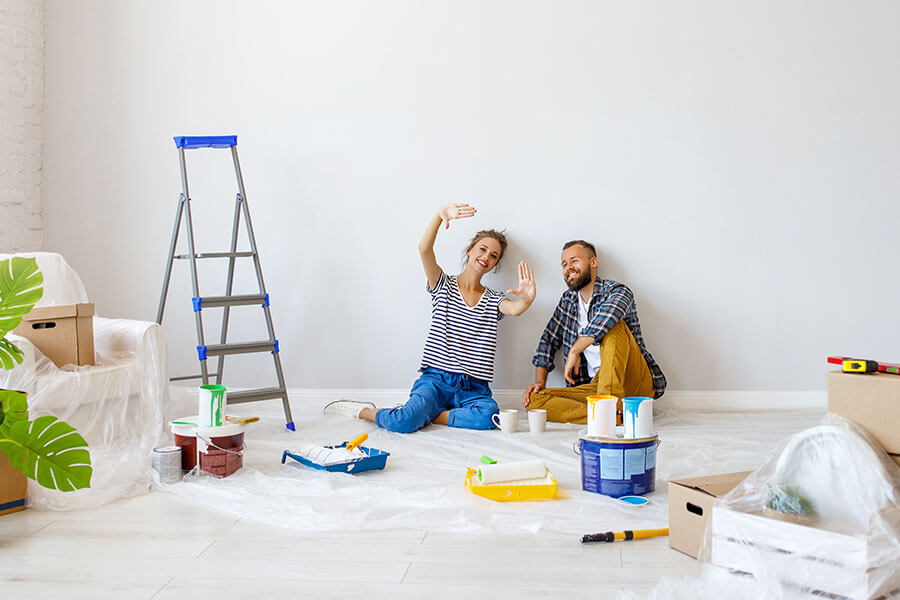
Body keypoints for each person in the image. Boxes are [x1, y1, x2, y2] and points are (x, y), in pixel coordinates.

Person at [325, 203, 536, 432]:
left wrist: (527, 299)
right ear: (470, 250)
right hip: (435, 381)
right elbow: (424, 250)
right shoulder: (443, 285)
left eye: (493, 255)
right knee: (403, 422)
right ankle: (363, 411)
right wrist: (439, 216)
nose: (486, 256)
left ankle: (429, 415)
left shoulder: (493, 299)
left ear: (495, 264)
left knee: (488, 417)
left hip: (473, 388)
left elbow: (515, 309)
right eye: (482, 249)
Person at [522, 240, 665, 424]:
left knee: (615, 327)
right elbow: (548, 339)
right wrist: (540, 383)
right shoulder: (568, 301)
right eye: (564, 264)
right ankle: (610, 417)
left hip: (633, 382)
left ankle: (607, 410)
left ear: (593, 262)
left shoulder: (616, 291)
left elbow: (610, 314)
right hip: (594, 386)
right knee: (534, 401)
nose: (568, 268)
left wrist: (575, 349)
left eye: (574, 261)